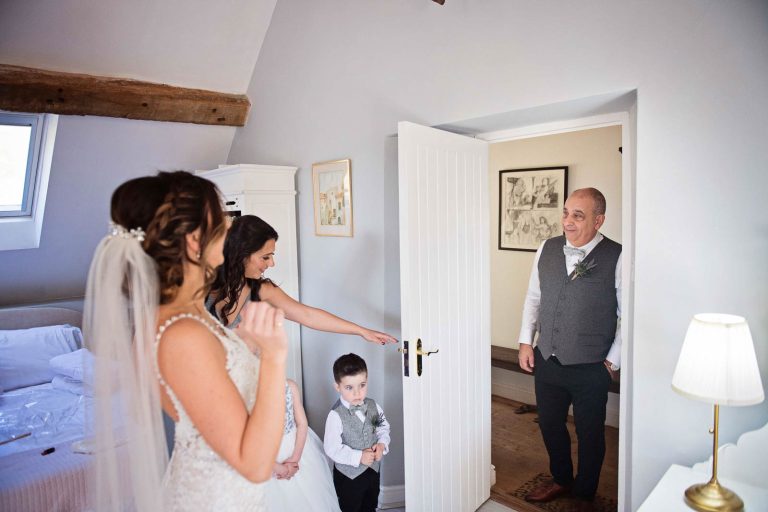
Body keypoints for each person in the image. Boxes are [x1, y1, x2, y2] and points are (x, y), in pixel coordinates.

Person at [84, 171, 288, 511]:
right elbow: (253, 464)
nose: (228, 226)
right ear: (194, 241)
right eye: (220, 219)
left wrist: (245, 346)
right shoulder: (182, 334)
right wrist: (274, 356)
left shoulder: (179, 320)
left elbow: (204, 402)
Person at [517, 187, 621, 512]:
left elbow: (629, 316)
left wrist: (610, 362)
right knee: (549, 424)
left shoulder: (618, 256)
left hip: (592, 366)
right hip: (547, 358)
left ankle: (584, 495)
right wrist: (525, 341)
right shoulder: (546, 248)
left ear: (599, 220)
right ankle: (561, 478)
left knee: (591, 435)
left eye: (578, 215)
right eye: (565, 213)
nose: (568, 221)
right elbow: (534, 298)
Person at [208, 215, 396, 345]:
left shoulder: (262, 289)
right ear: (242, 254)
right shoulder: (203, 285)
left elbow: (307, 315)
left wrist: (362, 331)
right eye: (265, 257)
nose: (272, 263)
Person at [324, 353, 390, 512]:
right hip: (348, 476)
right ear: (337, 387)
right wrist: (358, 457)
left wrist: (382, 444)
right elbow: (331, 448)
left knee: (370, 504)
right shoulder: (335, 415)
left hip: (373, 471)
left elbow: (383, 428)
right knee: (350, 507)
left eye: (362, 385)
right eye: (349, 387)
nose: (357, 393)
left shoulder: (374, 405)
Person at [265, 379, 341, 511]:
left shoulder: (290, 386)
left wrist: (295, 459)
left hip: (296, 448)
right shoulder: (246, 393)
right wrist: (277, 467)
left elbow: (302, 424)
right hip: (265, 456)